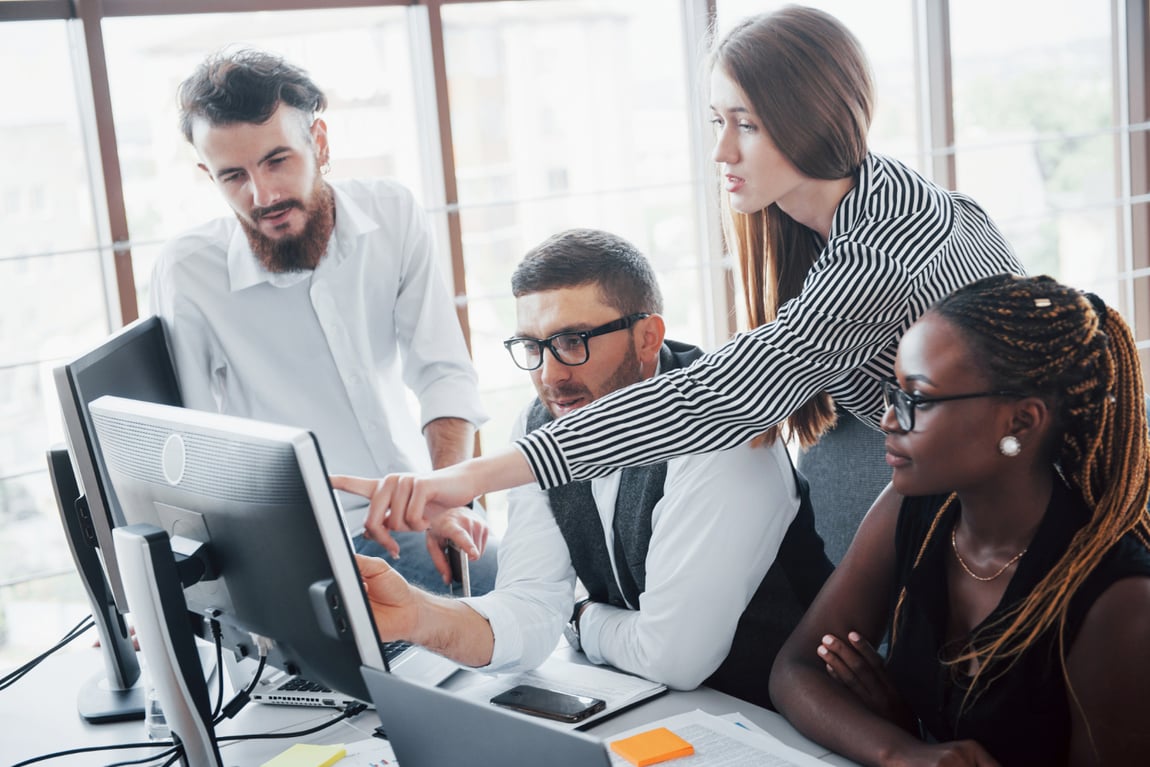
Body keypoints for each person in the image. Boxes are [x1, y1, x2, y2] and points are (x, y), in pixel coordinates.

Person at [347, 6, 1027, 544]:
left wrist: (470, 475)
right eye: (716, 120)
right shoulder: (824, 201)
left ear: (813, 121)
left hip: (1008, 468)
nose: (721, 149)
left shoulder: (878, 254)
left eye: (748, 125)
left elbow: (710, 396)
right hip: (902, 431)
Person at [335, 229, 832, 708]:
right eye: (532, 347)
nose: (550, 375)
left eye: (573, 341)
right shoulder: (538, 427)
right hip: (656, 712)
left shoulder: (720, 434)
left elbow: (673, 658)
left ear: (648, 338)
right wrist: (417, 616)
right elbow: (528, 612)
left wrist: (578, 615)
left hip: (776, 725)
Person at [151, 47, 496, 594]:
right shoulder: (189, 271)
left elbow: (443, 373)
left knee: (511, 596)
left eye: (277, 160)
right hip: (296, 547)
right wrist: (170, 593)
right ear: (206, 175)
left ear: (321, 143)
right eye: (233, 176)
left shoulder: (394, 214)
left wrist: (446, 496)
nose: (262, 195)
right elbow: (190, 454)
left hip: (418, 509)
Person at [769, 274, 1150, 766]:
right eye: (895, 392)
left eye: (919, 399)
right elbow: (795, 669)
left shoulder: (1119, 600)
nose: (888, 420)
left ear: (1020, 422)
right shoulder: (915, 508)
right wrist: (904, 750)